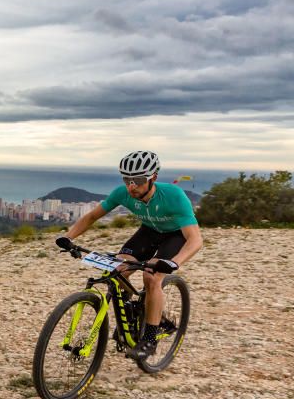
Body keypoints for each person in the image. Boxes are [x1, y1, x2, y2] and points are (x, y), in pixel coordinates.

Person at [56, 151, 203, 360]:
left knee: (151, 276)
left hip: (176, 235)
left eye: (138, 180)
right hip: (149, 231)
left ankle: (150, 340)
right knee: (119, 269)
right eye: (127, 179)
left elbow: (195, 239)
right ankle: (132, 317)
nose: (131, 186)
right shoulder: (122, 193)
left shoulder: (174, 196)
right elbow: (91, 216)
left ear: (153, 178)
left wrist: (174, 262)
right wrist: (68, 238)